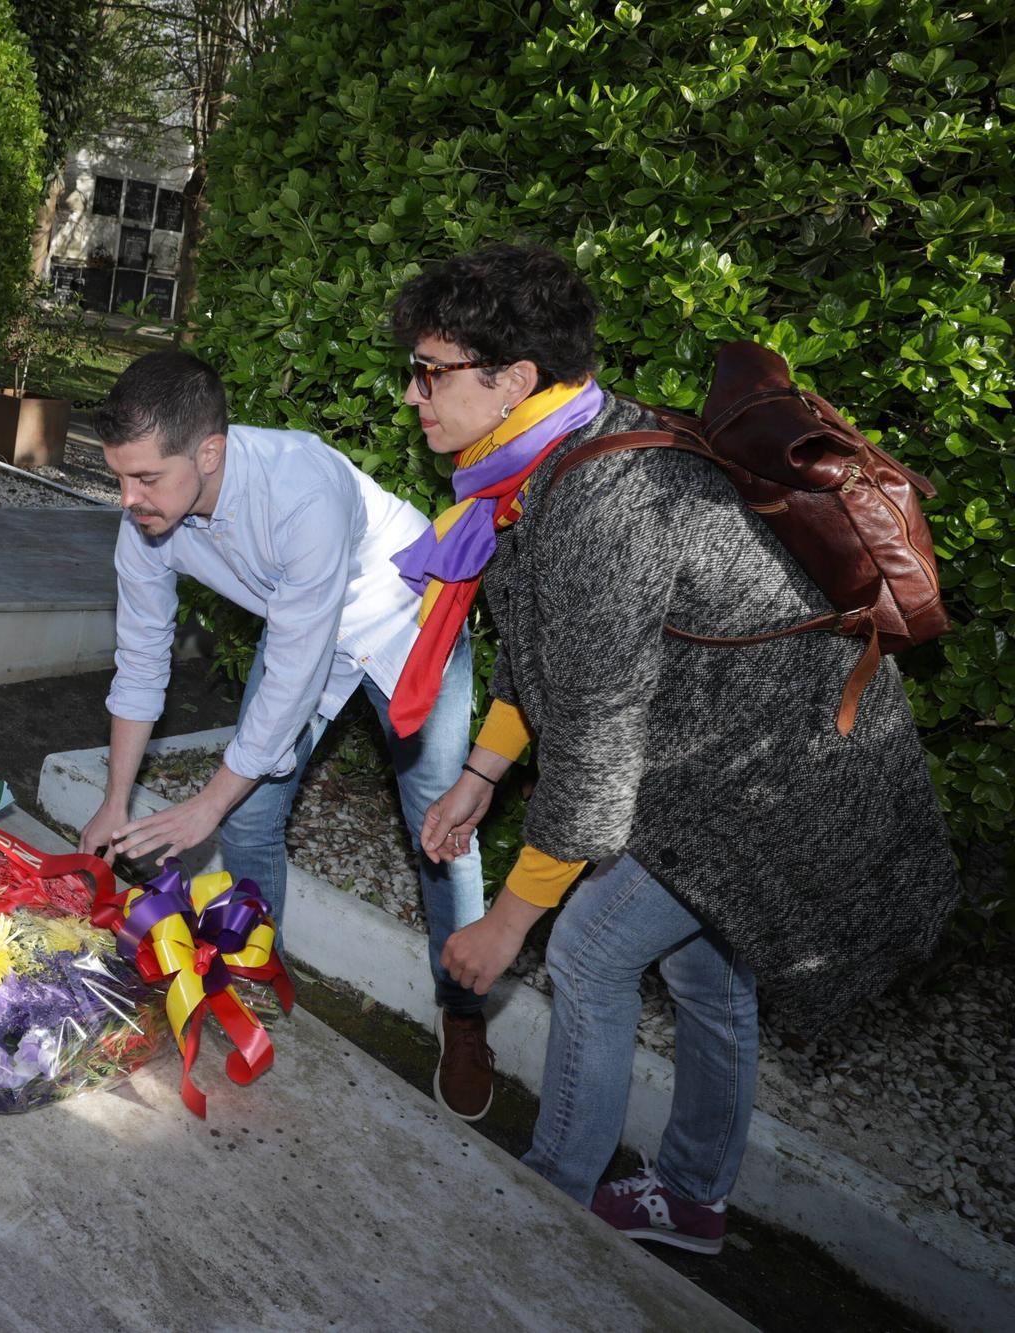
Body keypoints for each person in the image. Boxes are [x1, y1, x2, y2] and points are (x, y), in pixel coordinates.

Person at [399, 243, 959, 1254]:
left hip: (776, 777)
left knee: (585, 947)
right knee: (705, 974)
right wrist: (482, 771)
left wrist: (506, 925)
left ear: (512, 379)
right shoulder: (557, 453)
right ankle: (693, 1197)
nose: (412, 395)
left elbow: (597, 755)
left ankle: (549, 1207)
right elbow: (551, 648)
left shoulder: (599, 502)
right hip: (729, 761)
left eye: (430, 371)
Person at [77, 350, 496, 1120]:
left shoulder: (300, 488)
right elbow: (140, 658)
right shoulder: (145, 516)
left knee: (438, 820)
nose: (128, 499)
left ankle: (463, 1013)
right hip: (303, 615)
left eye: (145, 479)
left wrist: (205, 805)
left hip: (402, 612)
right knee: (255, 812)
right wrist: (115, 798)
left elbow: (296, 670)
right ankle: (247, 966)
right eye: (120, 477)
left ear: (209, 453)